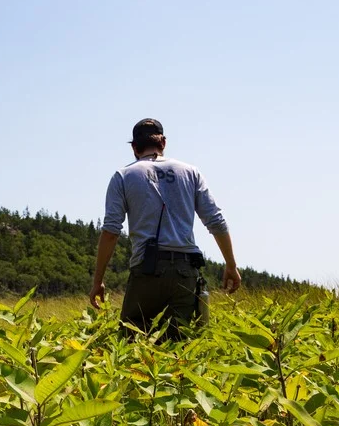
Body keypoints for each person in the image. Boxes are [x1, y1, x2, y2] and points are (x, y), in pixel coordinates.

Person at [90, 118, 241, 340]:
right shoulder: (190, 172)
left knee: (133, 342)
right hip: (186, 272)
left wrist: (98, 281)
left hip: (146, 271)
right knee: (180, 346)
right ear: (164, 143)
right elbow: (216, 220)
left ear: (134, 147)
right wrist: (230, 264)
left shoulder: (123, 176)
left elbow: (111, 232)